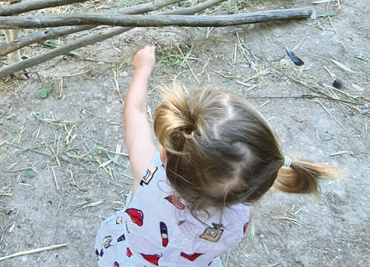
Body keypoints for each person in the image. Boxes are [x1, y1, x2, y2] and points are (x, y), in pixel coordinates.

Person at [94, 46, 340, 266]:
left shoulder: (148, 178)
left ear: (163, 156)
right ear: (255, 188)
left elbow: (134, 114)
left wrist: (142, 70)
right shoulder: (241, 216)